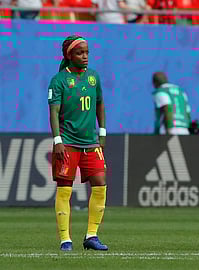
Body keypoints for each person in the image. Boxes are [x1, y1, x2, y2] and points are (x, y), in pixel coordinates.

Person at [48, 35, 108, 251]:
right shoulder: (59, 80)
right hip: (68, 142)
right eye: (79, 53)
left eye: (87, 52)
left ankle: (92, 235)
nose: (85, 57)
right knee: (65, 188)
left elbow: (100, 103)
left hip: (91, 142)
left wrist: (102, 133)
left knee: (100, 184)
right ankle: (65, 239)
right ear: (69, 55)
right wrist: (57, 140)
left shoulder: (93, 77)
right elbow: (53, 111)